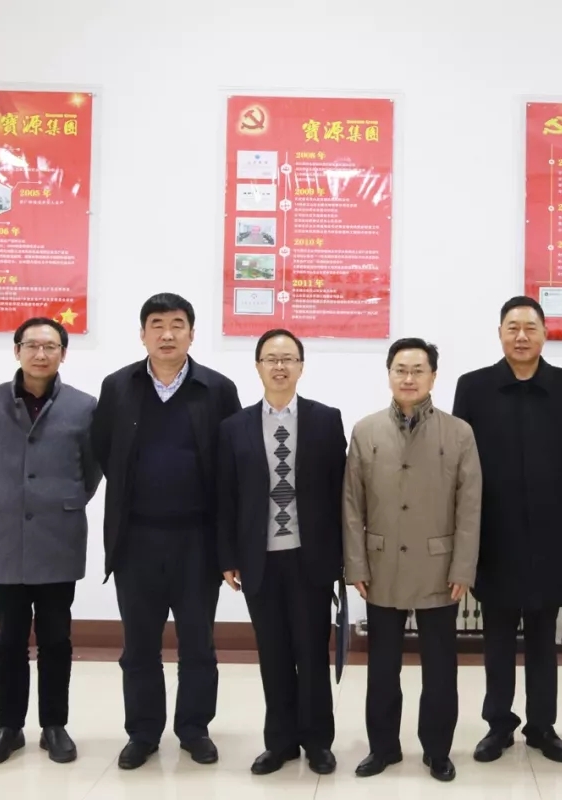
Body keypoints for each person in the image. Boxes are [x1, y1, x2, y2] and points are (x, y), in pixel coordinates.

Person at [91, 293, 241, 770]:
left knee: (198, 643)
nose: (167, 334)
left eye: (177, 324)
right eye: (156, 324)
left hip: (197, 541)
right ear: (143, 334)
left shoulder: (217, 389)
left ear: (192, 334)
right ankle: (143, 732)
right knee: (139, 646)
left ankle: (194, 729)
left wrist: (228, 547)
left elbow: (233, 466)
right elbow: (103, 449)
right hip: (136, 540)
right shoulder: (118, 386)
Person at [451, 296, 562, 764]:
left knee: (542, 638)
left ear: (545, 334)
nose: (521, 336)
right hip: (493, 535)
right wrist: (463, 532)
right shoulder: (473, 387)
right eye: (512, 327)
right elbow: (460, 466)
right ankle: (498, 725)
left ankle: (542, 726)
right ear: (499, 334)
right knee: (496, 637)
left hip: (552, 534)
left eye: (530, 327)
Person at [0, 317, 101, 767]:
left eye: (51, 346)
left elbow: (91, 470)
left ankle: (54, 725)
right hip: (4, 537)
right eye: (32, 346)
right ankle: (9, 727)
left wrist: (57, 502)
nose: (41, 354)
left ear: (64, 353)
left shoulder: (84, 407)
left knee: (57, 637)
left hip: (58, 537)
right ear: (17, 350)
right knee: (8, 639)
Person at [343, 338, 481, 783]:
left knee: (440, 669)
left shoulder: (458, 433)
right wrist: (356, 564)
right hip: (381, 566)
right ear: (388, 374)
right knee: (382, 667)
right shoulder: (366, 431)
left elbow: (470, 506)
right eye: (400, 369)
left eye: (418, 370)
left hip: (439, 568)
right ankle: (383, 747)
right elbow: (352, 504)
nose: (408, 378)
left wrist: (463, 567)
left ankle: (437, 751)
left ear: (433, 377)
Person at [218, 329, 346, 777]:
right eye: (270, 359)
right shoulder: (233, 427)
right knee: (272, 654)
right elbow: (225, 497)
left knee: (312, 653)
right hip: (260, 560)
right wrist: (227, 557)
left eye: (288, 358)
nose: (279, 366)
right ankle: (280, 743)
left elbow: (341, 492)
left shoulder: (325, 420)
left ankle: (318, 742)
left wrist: (344, 558)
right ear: (257, 366)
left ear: (301, 367)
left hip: (311, 559)